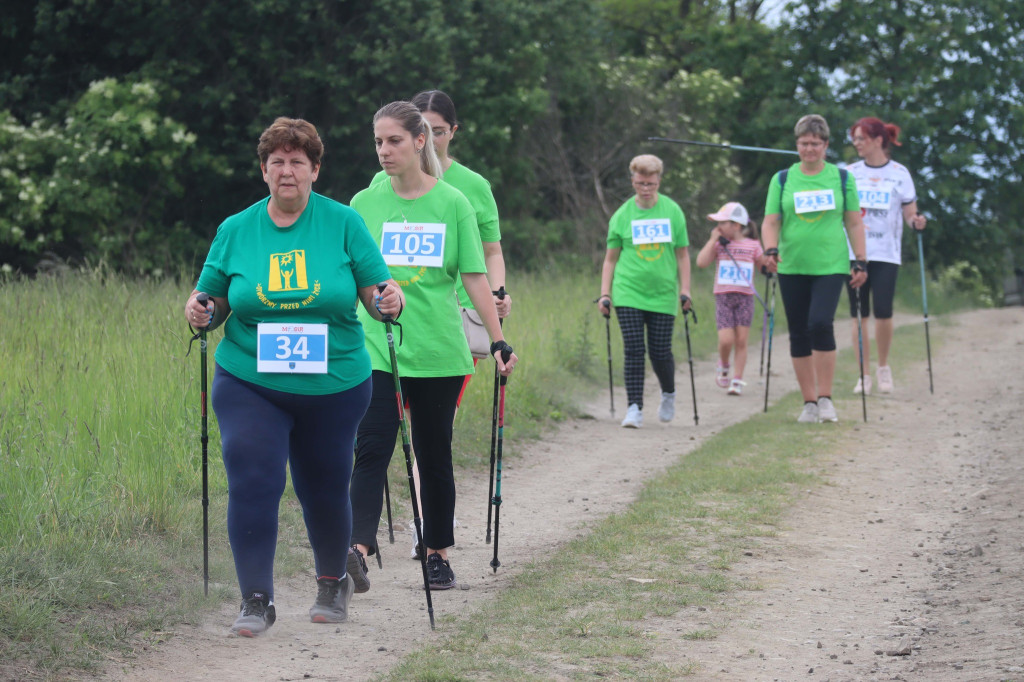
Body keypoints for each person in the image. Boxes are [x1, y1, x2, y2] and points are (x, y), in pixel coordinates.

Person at [183, 117, 404, 637]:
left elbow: (377, 291)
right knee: (253, 471)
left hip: (333, 381)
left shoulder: (344, 222)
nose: (287, 171)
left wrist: (387, 300)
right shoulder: (236, 229)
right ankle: (256, 598)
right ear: (264, 171)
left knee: (323, 482)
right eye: (277, 162)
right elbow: (211, 298)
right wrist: (199, 311)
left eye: (297, 162)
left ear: (314, 170)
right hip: (250, 378)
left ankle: (333, 581)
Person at [348, 101, 517, 592]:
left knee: (433, 454)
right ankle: (357, 548)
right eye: (378, 141)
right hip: (378, 347)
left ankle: (437, 551)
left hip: (439, 350)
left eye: (394, 140)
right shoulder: (363, 204)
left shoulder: (452, 203)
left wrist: (500, 340)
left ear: (420, 142)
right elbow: (349, 275)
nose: (384, 150)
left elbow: (474, 276)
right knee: (371, 446)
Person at [761, 114, 868, 423]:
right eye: (804, 144)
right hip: (792, 265)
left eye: (815, 144)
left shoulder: (843, 178)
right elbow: (771, 221)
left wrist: (860, 259)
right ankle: (808, 402)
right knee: (798, 332)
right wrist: (770, 248)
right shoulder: (782, 179)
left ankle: (825, 397)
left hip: (830, 264)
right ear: (797, 145)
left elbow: (853, 221)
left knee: (820, 323)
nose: (809, 149)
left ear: (826, 146)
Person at [597, 154, 691, 428]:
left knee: (661, 352)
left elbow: (683, 256)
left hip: (663, 293)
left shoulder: (673, 211)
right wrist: (606, 293)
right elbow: (610, 259)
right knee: (634, 349)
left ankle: (668, 393)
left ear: (659, 181)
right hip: (628, 292)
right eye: (640, 183)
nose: (646, 188)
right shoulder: (622, 215)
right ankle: (634, 407)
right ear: (633, 181)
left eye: (651, 183)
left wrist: (685, 290)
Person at [846, 117, 927, 395]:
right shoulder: (850, 172)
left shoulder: (900, 173)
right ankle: (863, 374)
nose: (856, 144)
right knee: (859, 315)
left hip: (887, 253)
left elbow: (909, 212)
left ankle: (882, 367)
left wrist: (916, 220)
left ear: (878, 140)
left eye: (861, 138)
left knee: (883, 312)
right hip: (856, 254)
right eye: (854, 139)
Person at [695, 202, 764, 396]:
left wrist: (770, 263)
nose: (718, 227)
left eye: (722, 223)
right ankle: (724, 364)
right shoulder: (719, 244)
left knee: (741, 340)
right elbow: (701, 262)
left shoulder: (753, 245)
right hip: (724, 297)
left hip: (745, 298)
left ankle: (737, 379)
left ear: (736, 225)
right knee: (726, 340)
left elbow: (763, 266)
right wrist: (712, 241)